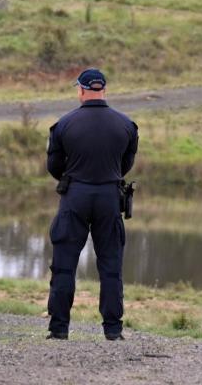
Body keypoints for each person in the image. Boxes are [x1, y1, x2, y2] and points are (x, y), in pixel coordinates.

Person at [45, 68, 139, 341]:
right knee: (111, 265)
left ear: (82, 90)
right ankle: (113, 329)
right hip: (109, 196)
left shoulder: (63, 124)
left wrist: (74, 177)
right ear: (104, 90)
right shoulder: (126, 125)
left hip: (75, 195)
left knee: (64, 265)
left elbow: (54, 166)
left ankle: (59, 329)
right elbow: (126, 164)